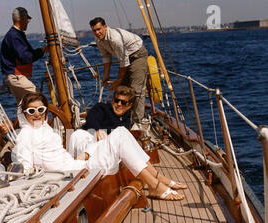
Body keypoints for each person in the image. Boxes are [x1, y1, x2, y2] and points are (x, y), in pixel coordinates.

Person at [14, 92, 186, 201]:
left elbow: (56, 156)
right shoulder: (25, 135)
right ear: (24, 114)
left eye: (41, 109)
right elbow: (25, 166)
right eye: (31, 111)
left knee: (121, 132)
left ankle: (158, 179)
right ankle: (155, 185)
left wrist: (83, 155)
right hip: (73, 174)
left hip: (74, 164)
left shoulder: (44, 129)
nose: (37, 114)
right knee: (119, 135)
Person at [90, 17, 148, 126]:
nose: (97, 33)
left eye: (99, 29)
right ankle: (122, 117)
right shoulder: (99, 41)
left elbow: (123, 61)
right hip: (125, 58)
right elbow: (106, 58)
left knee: (136, 89)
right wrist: (105, 77)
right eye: (94, 30)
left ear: (105, 27)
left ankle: (137, 122)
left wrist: (119, 80)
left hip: (137, 55)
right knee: (122, 89)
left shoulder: (115, 39)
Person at [68, 86, 136, 158]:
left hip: (107, 149)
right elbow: (91, 118)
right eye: (116, 100)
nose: (119, 104)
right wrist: (96, 130)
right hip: (91, 140)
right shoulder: (102, 108)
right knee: (78, 135)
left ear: (129, 105)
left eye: (123, 102)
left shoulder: (127, 120)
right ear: (112, 100)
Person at [0, 7, 48, 106]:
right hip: (16, 76)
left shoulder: (16, 34)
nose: (28, 22)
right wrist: (41, 51)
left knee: (24, 107)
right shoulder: (14, 36)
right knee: (39, 100)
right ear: (22, 19)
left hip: (15, 76)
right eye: (27, 20)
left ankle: (24, 121)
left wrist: (40, 51)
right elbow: (25, 57)